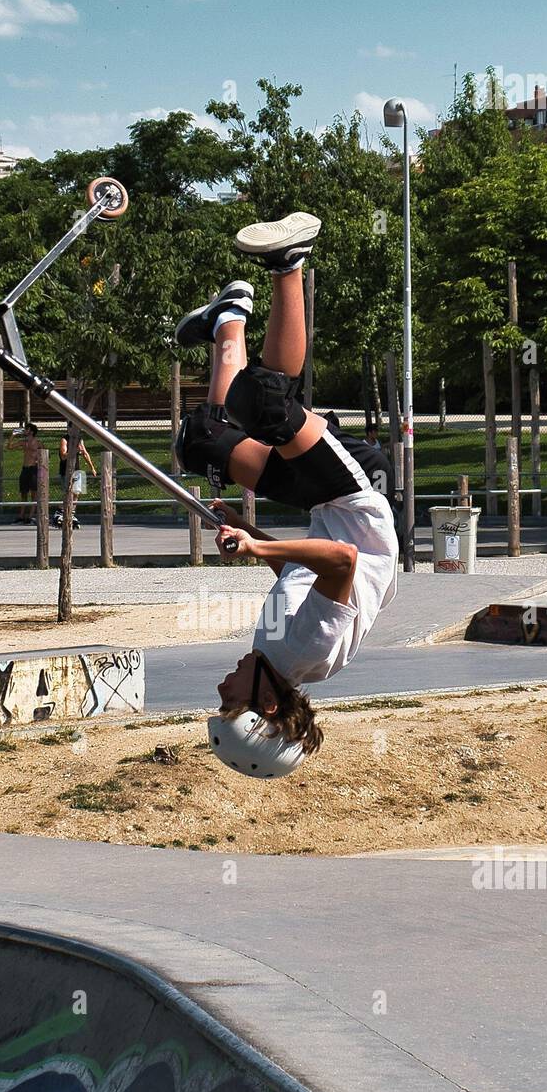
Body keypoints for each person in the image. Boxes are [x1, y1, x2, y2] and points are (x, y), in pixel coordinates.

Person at [174, 211, 398, 780]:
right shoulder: (307, 655)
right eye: (230, 701)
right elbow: (342, 561)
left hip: (322, 503)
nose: (222, 686)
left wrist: (255, 539)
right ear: (267, 706)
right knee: (266, 403)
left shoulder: (274, 654)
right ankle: (288, 262)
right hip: (355, 495)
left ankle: (228, 319)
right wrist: (258, 551)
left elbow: (300, 574)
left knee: (204, 440)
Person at [53, 431, 97, 530]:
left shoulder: (79, 439)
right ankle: (60, 512)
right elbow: (63, 455)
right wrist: (76, 450)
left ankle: (71, 513)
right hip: (66, 471)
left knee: (76, 493)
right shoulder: (64, 439)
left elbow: (85, 453)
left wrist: (92, 468)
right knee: (68, 493)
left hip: (77, 469)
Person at [8, 422, 41, 524]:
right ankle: (21, 516)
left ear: (31, 431)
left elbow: (46, 456)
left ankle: (30, 516)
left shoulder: (38, 443)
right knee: (23, 493)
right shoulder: (23, 442)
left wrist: (37, 461)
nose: (24, 431)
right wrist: (13, 436)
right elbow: (9, 447)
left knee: (34, 494)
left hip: (33, 469)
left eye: (26, 429)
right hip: (25, 469)